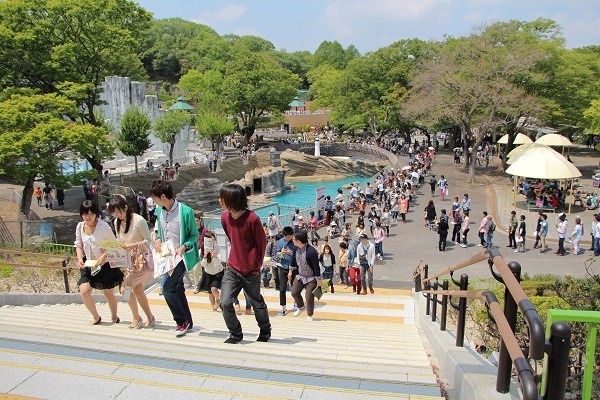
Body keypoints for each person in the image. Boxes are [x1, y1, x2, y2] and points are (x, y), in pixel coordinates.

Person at [219, 183, 271, 343]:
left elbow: (262, 245)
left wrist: (256, 266)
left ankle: (265, 330)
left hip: (251, 271)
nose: (219, 200)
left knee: (257, 303)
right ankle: (235, 333)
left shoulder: (252, 219)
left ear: (231, 200)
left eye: (222, 198)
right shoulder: (224, 217)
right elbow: (231, 238)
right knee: (225, 302)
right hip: (232, 268)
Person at [150, 180, 200, 337]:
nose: (155, 202)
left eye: (156, 199)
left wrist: (183, 246)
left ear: (163, 196)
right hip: (167, 258)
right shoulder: (159, 211)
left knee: (167, 289)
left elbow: (194, 235)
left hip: (181, 257)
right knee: (177, 288)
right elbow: (159, 230)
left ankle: (181, 321)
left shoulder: (185, 211)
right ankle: (188, 321)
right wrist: (157, 238)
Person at [108, 195, 155, 329]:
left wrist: (134, 245)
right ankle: (150, 318)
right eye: (114, 212)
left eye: (118, 211)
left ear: (126, 207)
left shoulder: (139, 220)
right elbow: (119, 240)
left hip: (142, 262)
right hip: (129, 262)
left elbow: (148, 241)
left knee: (124, 289)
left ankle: (136, 317)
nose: (117, 215)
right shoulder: (117, 222)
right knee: (138, 290)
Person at [74, 200, 124, 325]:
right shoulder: (80, 226)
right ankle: (96, 317)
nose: (88, 217)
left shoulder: (103, 227)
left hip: (105, 264)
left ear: (96, 214)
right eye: (85, 214)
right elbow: (78, 245)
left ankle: (114, 316)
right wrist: (80, 258)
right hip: (89, 264)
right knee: (84, 291)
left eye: (91, 214)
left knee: (108, 292)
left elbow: (115, 245)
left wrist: (104, 256)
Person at [289, 231, 322, 321]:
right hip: (300, 275)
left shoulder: (311, 251)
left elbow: (316, 267)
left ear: (299, 241)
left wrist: (318, 280)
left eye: (294, 239)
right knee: (294, 293)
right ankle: (301, 307)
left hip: (311, 277)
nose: (292, 240)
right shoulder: (295, 248)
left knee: (309, 296)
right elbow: (292, 261)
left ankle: (309, 314)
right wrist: (290, 271)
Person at [198, 231, 224, 311]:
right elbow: (203, 265)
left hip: (218, 272)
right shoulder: (202, 249)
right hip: (208, 273)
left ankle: (218, 299)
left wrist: (215, 257)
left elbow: (220, 265)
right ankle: (214, 307)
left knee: (214, 289)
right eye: (209, 240)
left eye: (213, 240)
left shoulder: (218, 249)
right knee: (210, 292)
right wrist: (205, 256)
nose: (211, 242)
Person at [275, 226, 295, 316]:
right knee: (282, 289)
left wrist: (290, 252)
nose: (289, 238)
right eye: (287, 237)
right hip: (283, 267)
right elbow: (277, 253)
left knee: (295, 288)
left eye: (290, 236)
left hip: (293, 267)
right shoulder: (280, 242)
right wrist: (282, 253)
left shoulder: (294, 241)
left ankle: (296, 303)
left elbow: (297, 253)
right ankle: (283, 308)